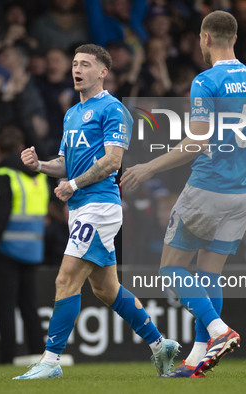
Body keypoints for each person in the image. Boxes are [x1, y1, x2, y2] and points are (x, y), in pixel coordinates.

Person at [121, 11, 246, 377]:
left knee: (171, 267)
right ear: (235, 37)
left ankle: (218, 331)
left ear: (206, 39)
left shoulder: (206, 81)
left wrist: (148, 167)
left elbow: (196, 142)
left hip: (207, 188)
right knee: (208, 273)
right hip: (242, 194)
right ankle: (198, 357)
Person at [15, 44, 180, 380]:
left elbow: (113, 162)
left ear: (103, 72)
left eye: (86, 64)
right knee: (106, 289)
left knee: (66, 279)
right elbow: (65, 163)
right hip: (80, 207)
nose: (78, 69)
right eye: (75, 64)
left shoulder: (113, 110)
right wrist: (40, 165)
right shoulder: (71, 113)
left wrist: (74, 185)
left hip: (100, 207)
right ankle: (160, 345)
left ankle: (50, 362)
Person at [0, 126, 49, 363]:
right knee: (30, 307)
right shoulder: (39, 176)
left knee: (6, 308)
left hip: (7, 251)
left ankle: (7, 357)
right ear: (22, 148)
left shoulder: (3, 174)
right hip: (33, 250)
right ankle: (39, 354)